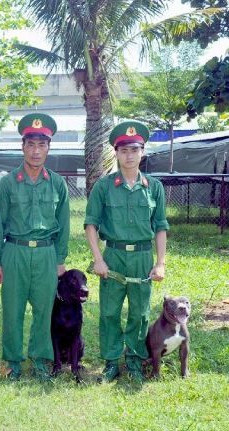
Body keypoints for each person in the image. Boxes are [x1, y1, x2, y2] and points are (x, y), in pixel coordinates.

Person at [0, 113, 70, 382]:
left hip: (46, 253)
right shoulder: (8, 182)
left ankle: (40, 361)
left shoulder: (57, 183)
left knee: (44, 310)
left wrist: (60, 259)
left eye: (42, 145)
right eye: (31, 145)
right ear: (22, 147)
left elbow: (64, 224)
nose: (36, 151)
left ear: (48, 148)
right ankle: (12, 361)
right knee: (12, 310)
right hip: (15, 251)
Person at [85, 120, 168, 383]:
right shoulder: (104, 186)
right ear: (116, 153)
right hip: (114, 256)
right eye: (123, 151)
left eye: (134, 150)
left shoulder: (154, 187)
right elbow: (91, 225)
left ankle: (133, 359)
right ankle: (111, 362)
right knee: (109, 312)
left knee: (140, 312)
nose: (129, 156)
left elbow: (160, 227)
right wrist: (98, 260)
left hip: (143, 257)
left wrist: (160, 263)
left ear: (142, 152)